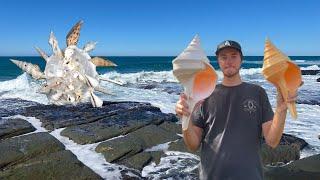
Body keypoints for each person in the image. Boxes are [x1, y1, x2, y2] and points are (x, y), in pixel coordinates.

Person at [175, 40, 298, 180]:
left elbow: (272, 140)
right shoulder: (205, 94)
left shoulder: (257, 92)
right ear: (218, 61)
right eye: (224, 57)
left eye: (234, 56)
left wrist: (282, 110)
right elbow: (193, 144)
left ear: (241, 60)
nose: (229, 61)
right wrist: (185, 117)